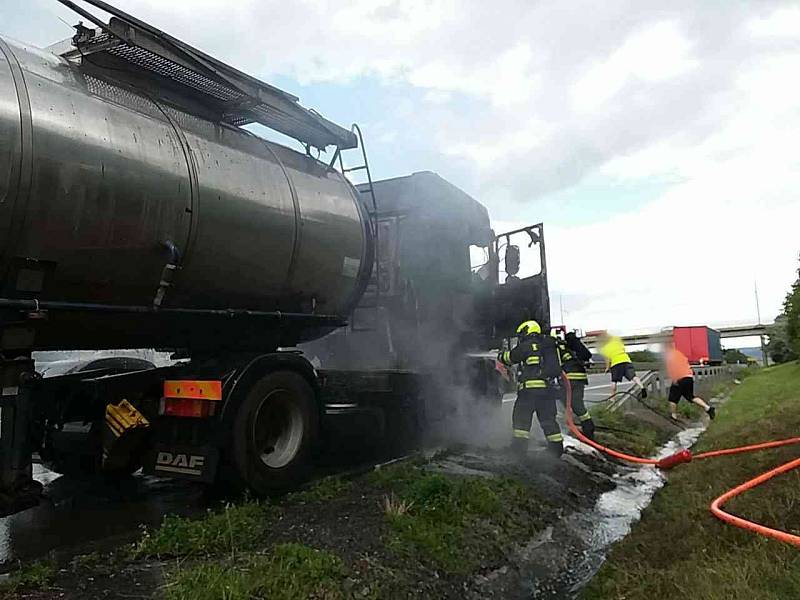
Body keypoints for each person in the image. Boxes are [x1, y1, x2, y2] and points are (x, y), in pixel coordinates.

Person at [498, 320, 563, 457]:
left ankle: (518, 451)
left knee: (521, 419)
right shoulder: (547, 345)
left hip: (529, 393)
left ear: (527, 330)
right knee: (548, 420)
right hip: (547, 392)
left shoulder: (527, 345)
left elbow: (510, 358)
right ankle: (556, 450)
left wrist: (500, 355)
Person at [555, 330, 595, 439]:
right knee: (578, 405)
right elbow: (587, 358)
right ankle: (588, 429)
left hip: (568, 380)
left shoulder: (558, 348)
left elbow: (555, 365)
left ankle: (565, 428)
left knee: (559, 402)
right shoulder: (576, 349)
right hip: (580, 380)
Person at [664, 341, 716, 421]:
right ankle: (708, 408)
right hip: (689, 377)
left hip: (680, 378)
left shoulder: (670, 356)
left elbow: (672, 369)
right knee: (690, 397)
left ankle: (673, 416)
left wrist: (674, 380)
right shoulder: (679, 354)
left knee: (672, 399)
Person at [599, 333, 647, 398]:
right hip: (627, 361)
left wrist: (607, 368)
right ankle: (642, 387)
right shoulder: (619, 343)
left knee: (614, 381)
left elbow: (607, 359)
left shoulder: (605, 348)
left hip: (616, 364)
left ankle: (613, 398)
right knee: (634, 377)